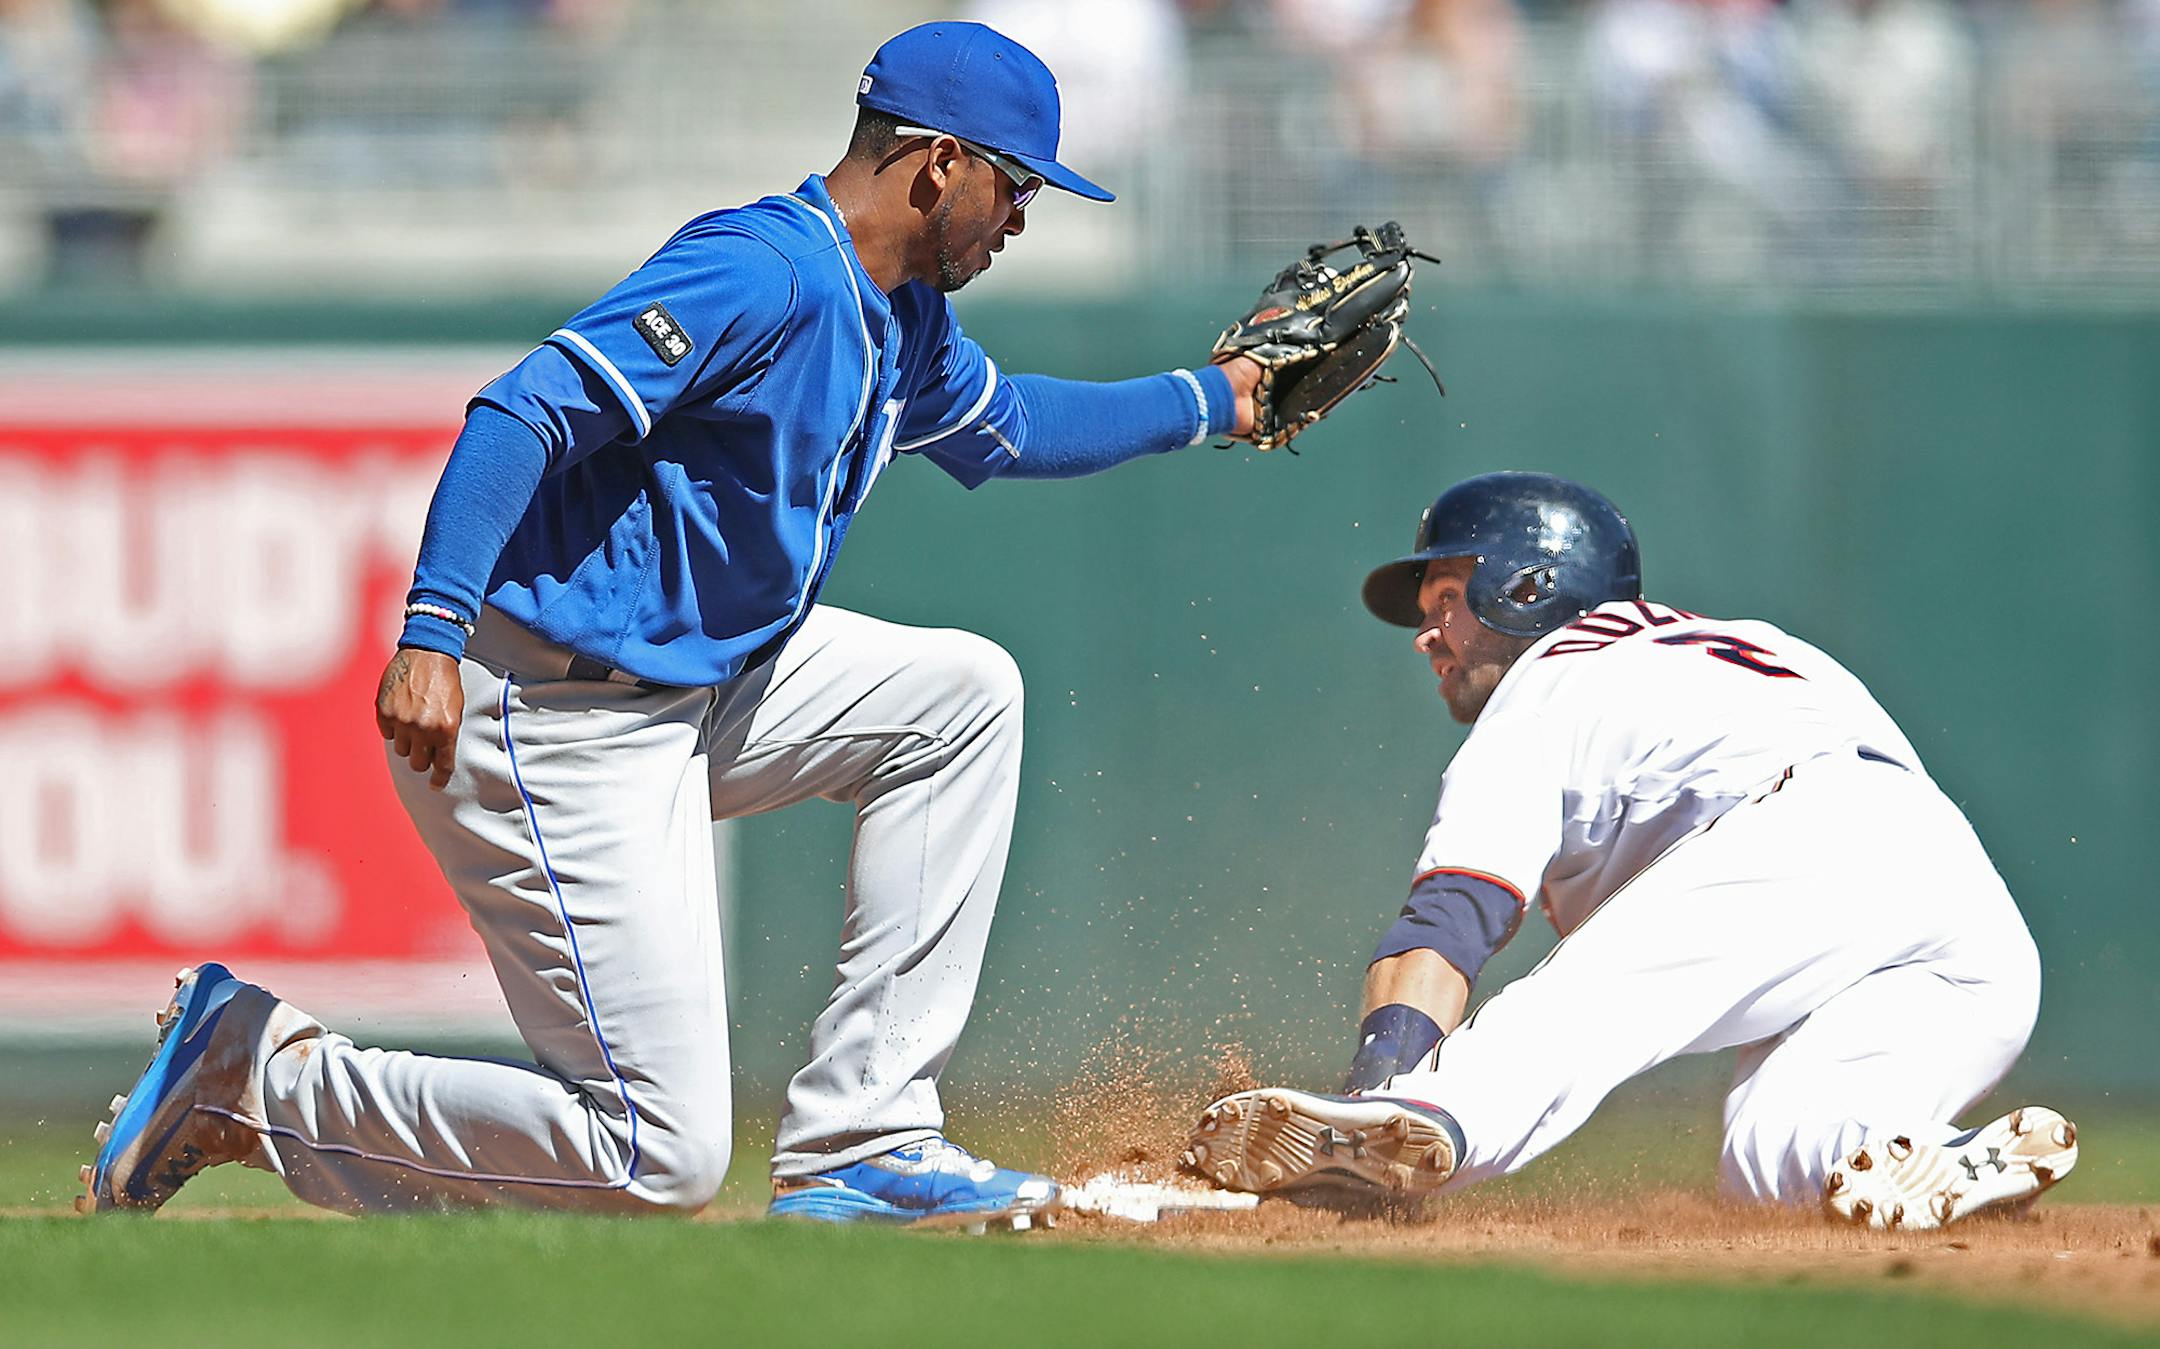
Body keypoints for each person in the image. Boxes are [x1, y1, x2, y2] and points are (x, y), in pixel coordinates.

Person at [82, 20, 1265, 1227]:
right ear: (939, 162)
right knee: (657, 1155)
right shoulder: (764, 270)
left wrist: (1223, 398)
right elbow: (522, 411)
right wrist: (432, 630)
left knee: (960, 696)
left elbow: (1009, 428)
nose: (1020, 219)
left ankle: (866, 1135)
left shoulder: (900, 313)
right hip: (550, 709)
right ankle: (256, 1075)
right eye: (1015, 187)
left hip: (692, 691)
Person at [1187, 471, 2076, 1231]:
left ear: (1525, 589)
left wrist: (1378, 1081)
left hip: (1808, 831)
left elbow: (1451, 916)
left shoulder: (1547, 685)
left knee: (1582, 1002)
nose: (1429, 634)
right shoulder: (1750, 646)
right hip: (1966, 916)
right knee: (1775, 1155)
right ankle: (1936, 1162)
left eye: (1449, 600)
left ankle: (1403, 1127)